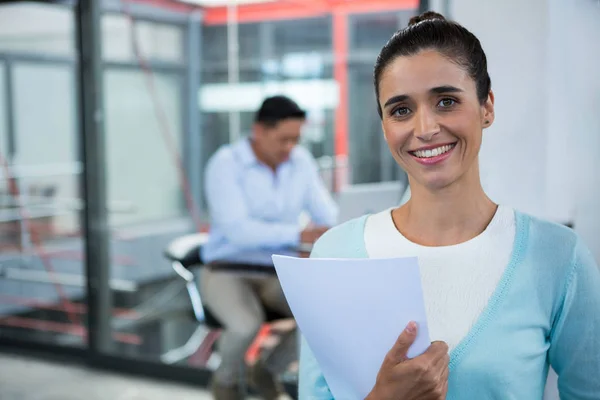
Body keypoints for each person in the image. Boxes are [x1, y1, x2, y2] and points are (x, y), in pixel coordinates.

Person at [299, 11, 600, 400]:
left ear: (486, 107)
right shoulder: (334, 257)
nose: (424, 129)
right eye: (401, 110)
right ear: (385, 125)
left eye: (446, 101)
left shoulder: (558, 258)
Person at [201, 95, 338, 400]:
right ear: (259, 131)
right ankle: (225, 384)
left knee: (323, 315)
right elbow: (238, 232)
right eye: (283, 139)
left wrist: (323, 234)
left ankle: (266, 370)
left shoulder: (300, 161)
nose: (290, 147)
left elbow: (327, 214)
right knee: (244, 325)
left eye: (296, 139)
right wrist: (298, 235)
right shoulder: (225, 164)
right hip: (228, 269)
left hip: (279, 268)